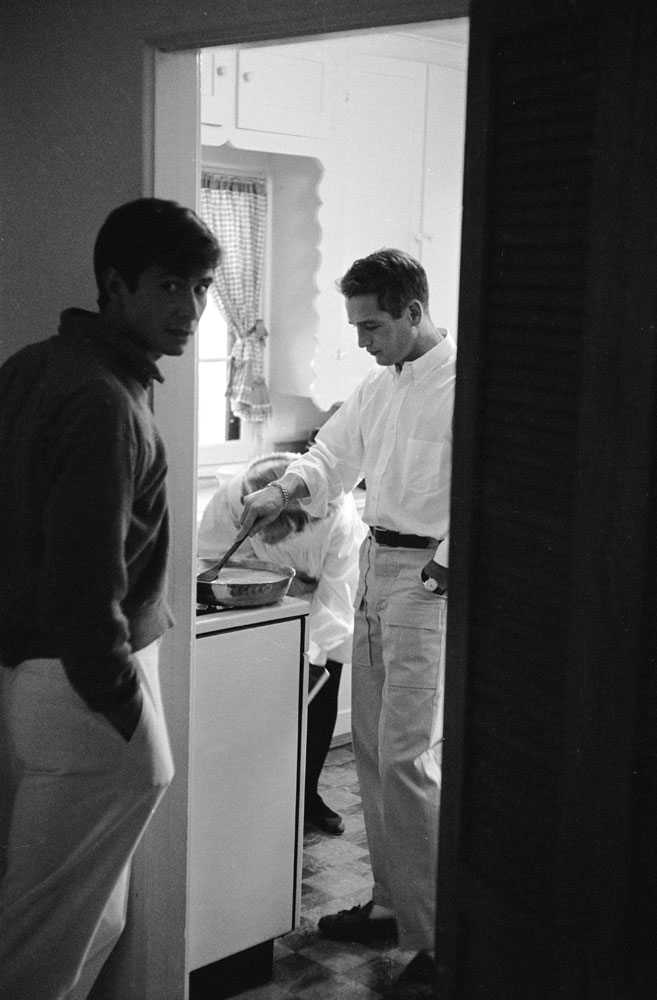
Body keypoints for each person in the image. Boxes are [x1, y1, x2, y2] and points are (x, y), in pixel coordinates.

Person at [0, 198, 220, 1000]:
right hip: (84, 690)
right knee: (40, 941)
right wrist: (129, 716)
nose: (189, 308)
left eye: (199, 288)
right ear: (114, 285)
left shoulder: (34, 364)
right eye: (168, 286)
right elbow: (84, 590)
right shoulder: (103, 400)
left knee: (92, 922)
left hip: (42, 682)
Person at [240, 249, 455, 999]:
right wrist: (285, 489)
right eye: (356, 325)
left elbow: (487, 483)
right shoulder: (378, 385)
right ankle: (391, 906)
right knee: (367, 747)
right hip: (375, 568)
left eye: (371, 326)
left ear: (411, 313)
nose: (362, 339)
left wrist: (442, 571)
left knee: (407, 758)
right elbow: (332, 454)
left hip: (429, 578)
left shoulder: (465, 385)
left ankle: (436, 940)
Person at [198, 452, 367, 835]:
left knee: (322, 690)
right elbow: (217, 566)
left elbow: (338, 593)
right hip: (260, 605)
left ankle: (308, 796)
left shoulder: (337, 516)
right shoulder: (231, 504)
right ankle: (254, 800)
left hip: (324, 603)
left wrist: (312, 659)